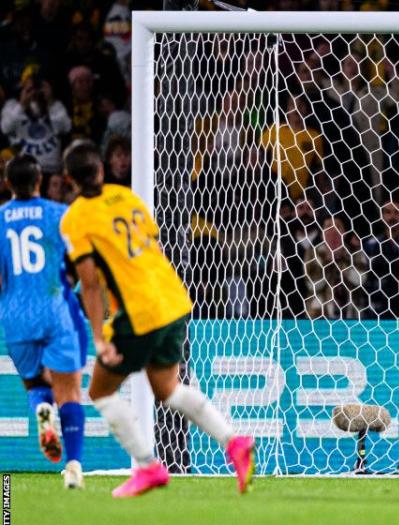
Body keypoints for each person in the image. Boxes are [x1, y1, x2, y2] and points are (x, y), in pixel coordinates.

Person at [59, 141, 254, 498]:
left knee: (100, 390)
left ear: (69, 178)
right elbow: (154, 247)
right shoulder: (126, 197)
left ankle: (148, 467)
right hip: (173, 298)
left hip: (139, 311)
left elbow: (88, 284)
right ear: (101, 170)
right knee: (167, 388)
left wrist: (101, 340)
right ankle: (234, 441)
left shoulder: (75, 218)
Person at [0, 154, 87, 489]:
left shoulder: (1, 219)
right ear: (39, 180)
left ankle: (42, 411)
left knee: (37, 385)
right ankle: (74, 467)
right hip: (53, 308)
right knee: (70, 392)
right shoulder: (58, 215)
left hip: (16, 315)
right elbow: (81, 262)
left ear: (8, 184)